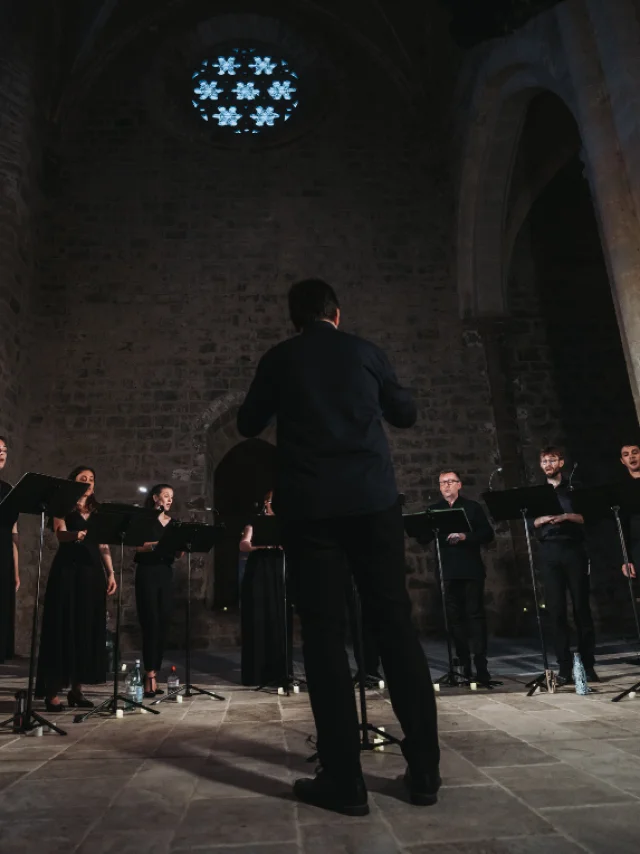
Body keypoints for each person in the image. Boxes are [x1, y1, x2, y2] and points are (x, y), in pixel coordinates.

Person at [237, 278, 440, 816]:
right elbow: (406, 414)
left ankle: (344, 781)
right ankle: (424, 772)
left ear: (294, 319)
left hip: (311, 513)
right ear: (337, 313)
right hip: (373, 505)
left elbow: (247, 423)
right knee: (395, 626)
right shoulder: (366, 353)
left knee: (325, 639)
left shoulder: (280, 358)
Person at [35, 466, 117, 710]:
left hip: (92, 571)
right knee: (63, 624)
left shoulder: (97, 510)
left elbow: (103, 544)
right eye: (83, 479)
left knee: (86, 626)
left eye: (92, 479)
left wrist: (110, 572)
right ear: (73, 482)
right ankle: (52, 691)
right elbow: (60, 534)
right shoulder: (62, 506)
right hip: (68, 570)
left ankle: (77, 690)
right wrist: (76, 535)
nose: (89, 482)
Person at [420, 471, 494, 683]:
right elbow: (423, 537)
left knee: (475, 616)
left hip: (470, 569)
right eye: (442, 482)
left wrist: (464, 536)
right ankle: (463, 663)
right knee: (454, 619)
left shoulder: (472, 508)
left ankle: (481, 665)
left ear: (459, 485)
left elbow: (487, 534)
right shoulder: (434, 510)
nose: (446, 486)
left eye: (450, 482)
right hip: (447, 571)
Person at [533, 446, 598, 684]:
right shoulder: (538, 492)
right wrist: (540, 520)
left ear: (561, 463)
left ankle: (588, 665)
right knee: (556, 610)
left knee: (581, 608)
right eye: (544, 461)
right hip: (549, 552)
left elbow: (587, 516)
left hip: (573, 550)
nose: (548, 464)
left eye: (552, 460)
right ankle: (563, 667)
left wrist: (566, 517)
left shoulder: (574, 488)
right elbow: (532, 520)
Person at [239, 489, 291, 687]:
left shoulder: (286, 523)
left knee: (279, 617)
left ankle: (280, 671)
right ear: (265, 502)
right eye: (269, 501)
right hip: (259, 571)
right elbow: (244, 544)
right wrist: (265, 546)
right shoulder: (256, 521)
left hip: (279, 570)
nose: (271, 504)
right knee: (259, 617)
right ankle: (257, 673)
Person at [134, 483, 176, 698]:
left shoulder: (173, 523)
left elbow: (177, 552)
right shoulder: (144, 519)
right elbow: (136, 546)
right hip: (147, 573)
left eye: (172, 497)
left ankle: (155, 672)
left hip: (165, 574)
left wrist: (179, 549)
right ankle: (149, 674)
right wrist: (157, 545)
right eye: (166, 495)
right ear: (155, 498)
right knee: (150, 621)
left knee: (163, 622)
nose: (169, 500)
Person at [0, 436, 19, 663]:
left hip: (3, 553)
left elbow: (14, 532)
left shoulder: (8, 489)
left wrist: (15, 570)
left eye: (4, 449)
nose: (1, 454)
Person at [619, 442, 640, 578]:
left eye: (635, 452)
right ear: (622, 461)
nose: (631, 457)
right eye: (626, 455)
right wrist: (626, 559)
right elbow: (622, 526)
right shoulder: (622, 490)